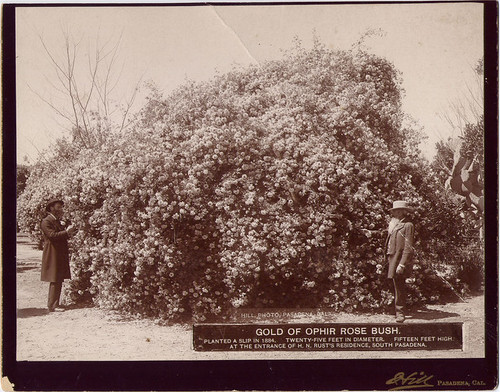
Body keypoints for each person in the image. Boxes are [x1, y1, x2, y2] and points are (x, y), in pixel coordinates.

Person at [40, 198, 77, 312]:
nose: (60, 209)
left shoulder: (56, 220)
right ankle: (52, 305)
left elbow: (59, 235)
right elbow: (52, 235)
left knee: (59, 277)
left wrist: (69, 232)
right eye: (58, 207)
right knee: (54, 278)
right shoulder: (46, 221)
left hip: (58, 252)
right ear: (51, 208)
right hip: (52, 252)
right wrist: (67, 232)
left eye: (61, 207)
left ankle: (55, 304)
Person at [385, 200, 414, 323]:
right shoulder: (395, 224)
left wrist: (402, 263)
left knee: (399, 285)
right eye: (394, 211)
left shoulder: (408, 225)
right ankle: (395, 309)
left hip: (399, 259)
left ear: (404, 212)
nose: (395, 213)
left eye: (398, 211)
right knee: (395, 284)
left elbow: (408, 247)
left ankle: (400, 312)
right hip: (391, 257)